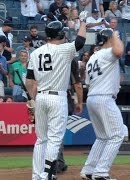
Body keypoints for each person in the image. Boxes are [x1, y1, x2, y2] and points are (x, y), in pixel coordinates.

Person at [25, 11, 87, 180]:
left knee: (41, 140)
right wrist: (82, 21)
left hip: (41, 97)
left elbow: (29, 81)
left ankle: (37, 175)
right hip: (57, 97)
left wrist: (32, 98)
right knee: (54, 139)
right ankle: (47, 175)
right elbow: (81, 41)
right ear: (60, 34)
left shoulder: (36, 52)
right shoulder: (64, 49)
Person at [80, 28, 124, 180]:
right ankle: (100, 172)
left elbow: (87, 83)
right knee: (118, 135)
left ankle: (88, 170)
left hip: (93, 97)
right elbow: (119, 51)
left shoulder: (93, 57)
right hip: (104, 98)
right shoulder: (106, 53)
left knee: (102, 137)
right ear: (108, 39)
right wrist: (115, 35)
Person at [56, 59, 84, 173]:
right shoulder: (68, 59)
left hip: (44, 95)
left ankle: (60, 162)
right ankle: (55, 164)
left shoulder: (42, 54)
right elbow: (77, 84)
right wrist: (80, 102)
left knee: (51, 133)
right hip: (61, 96)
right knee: (58, 133)